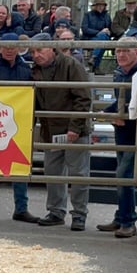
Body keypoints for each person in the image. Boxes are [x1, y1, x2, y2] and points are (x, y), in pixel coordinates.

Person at [31, 32, 92, 231]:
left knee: (78, 173)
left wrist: (75, 127)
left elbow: (83, 97)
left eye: (40, 50)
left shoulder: (71, 65)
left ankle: (79, 214)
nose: (36, 55)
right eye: (33, 52)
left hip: (74, 130)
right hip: (51, 130)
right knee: (53, 171)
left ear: (52, 49)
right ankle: (56, 211)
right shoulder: (36, 70)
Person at [0, 33, 38, 225]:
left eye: (13, 46)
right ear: (0, 48)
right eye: (6, 46)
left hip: (19, 123)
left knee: (19, 166)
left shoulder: (27, 69)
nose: (10, 50)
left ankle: (21, 208)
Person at [97, 37, 137, 238]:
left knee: (124, 174)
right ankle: (122, 215)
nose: (121, 55)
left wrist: (118, 114)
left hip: (135, 130)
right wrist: (110, 112)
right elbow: (120, 101)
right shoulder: (119, 74)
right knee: (121, 172)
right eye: (118, 51)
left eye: (126, 51)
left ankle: (128, 221)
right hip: (121, 130)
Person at [81, 0, 112, 72]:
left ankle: (94, 57)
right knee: (103, 39)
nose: (100, 7)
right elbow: (85, 29)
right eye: (98, 5)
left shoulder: (107, 16)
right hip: (89, 37)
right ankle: (96, 66)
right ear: (94, 6)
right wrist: (99, 32)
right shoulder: (88, 15)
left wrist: (109, 31)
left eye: (102, 5)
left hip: (103, 38)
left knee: (104, 38)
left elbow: (110, 28)